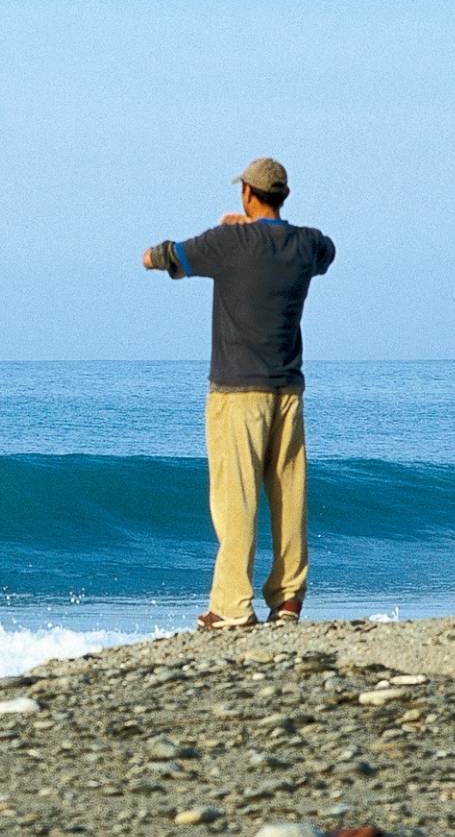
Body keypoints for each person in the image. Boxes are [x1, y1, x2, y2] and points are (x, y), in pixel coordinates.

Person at [143, 157, 335, 630]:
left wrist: (229, 231)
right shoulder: (307, 244)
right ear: (283, 195)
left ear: (248, 193)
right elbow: (328, 251)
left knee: (237, 499)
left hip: (236, 391)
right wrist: (256, 230)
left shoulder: (228, 242)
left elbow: (160, 255)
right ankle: (288, 599)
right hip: (288, 390)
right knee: (288, 496)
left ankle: (231, 605)